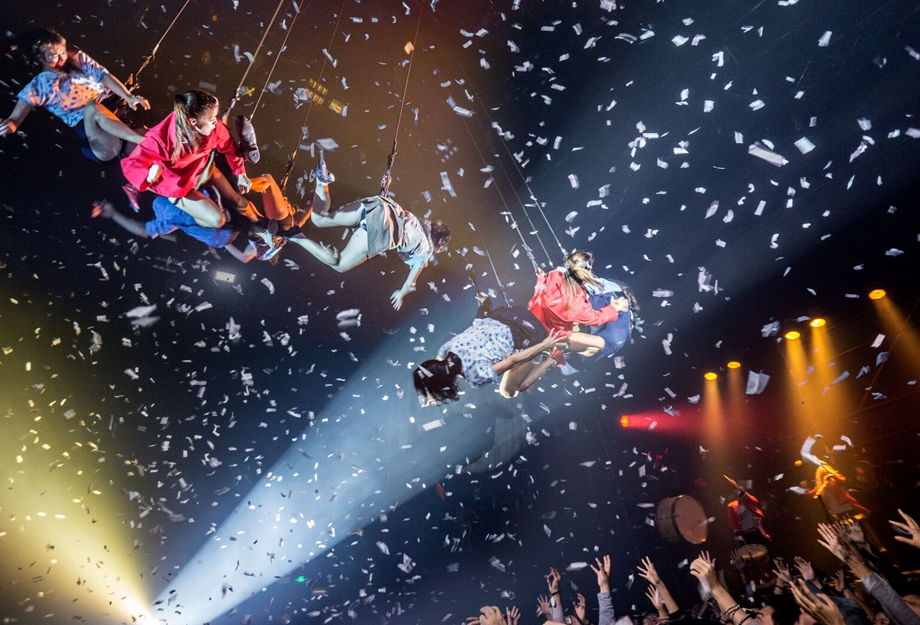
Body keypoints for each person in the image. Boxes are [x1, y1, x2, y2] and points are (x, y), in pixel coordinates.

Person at [0, 28, 150, 162]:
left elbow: (103, 76)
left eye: (63, 52)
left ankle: (142, 146)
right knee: (92, 107)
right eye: (55, 55)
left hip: (117, 118)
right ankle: (140, 140)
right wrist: (7, 126)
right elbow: (14, 121)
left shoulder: (76, 58)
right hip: (97, 136)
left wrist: (128, 96)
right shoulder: (36, 88)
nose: (62, 58)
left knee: (153, 140)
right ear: (40, 57)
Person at [286, 191, 450, 310]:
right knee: (340, 264)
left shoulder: (416, 221)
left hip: (380, 204)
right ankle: (293, 235)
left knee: (321, 219)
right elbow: (410, 283)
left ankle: (322, 181)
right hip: (382, 229)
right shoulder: (425, 252)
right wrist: (401, 294)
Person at [120, 90, 256, 228]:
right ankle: (179, 217)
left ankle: (259, 224)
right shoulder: (161, 138)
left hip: (201, 168)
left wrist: (241, 173)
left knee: (238, 201)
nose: (216, 122)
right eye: (211, 119)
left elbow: (229, 147)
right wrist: (149, 175)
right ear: (193, 121)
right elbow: (133, 164)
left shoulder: (214, 126)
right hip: (178, 184)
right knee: (217, 221)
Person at [412, 298, 565, 405]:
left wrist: (544, 344)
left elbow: (512, 360)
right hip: (508, 314)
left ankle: (551, 358)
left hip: (527, 331)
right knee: (503, 361)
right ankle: (543, 354)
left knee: (508, 392)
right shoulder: (445, 349)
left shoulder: (476, 377)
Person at [528, 250, 630, 358]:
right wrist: (614, 308)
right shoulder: (576, 301)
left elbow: (541, 284)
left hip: (532, 315)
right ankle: (554, 349)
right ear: (587, 272)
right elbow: (595, 319)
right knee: (599, 343)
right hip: (549, 334)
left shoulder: (553, 274)